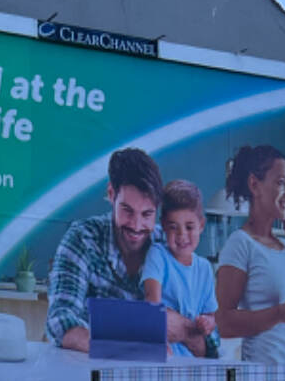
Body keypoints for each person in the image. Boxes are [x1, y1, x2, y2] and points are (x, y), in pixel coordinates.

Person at [46, 147, 204, 353]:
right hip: (88, 374)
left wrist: (184, 329)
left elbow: (206, 342)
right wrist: (130, 342)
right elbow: (60, 320)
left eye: (147, 214)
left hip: (157, 376)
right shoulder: (83, 239)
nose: (137, 225)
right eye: (127, 211)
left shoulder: (169, 246)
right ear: (112, 194)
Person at [215, 144, 285, 365]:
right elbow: (223, 322)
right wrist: (279, 314)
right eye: (281, 183)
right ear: (255, 184)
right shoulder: (240, 244)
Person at [141, 180, 219, 360]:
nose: (182, 235)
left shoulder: (205, 268)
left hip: (193, 361)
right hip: (162, 356)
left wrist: (207, 323)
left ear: (201, 225)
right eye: (173, 227)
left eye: (189, 227)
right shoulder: (157, 254)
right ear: (163, 225)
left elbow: (211, 316)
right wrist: (158, 337)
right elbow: (151, 301)